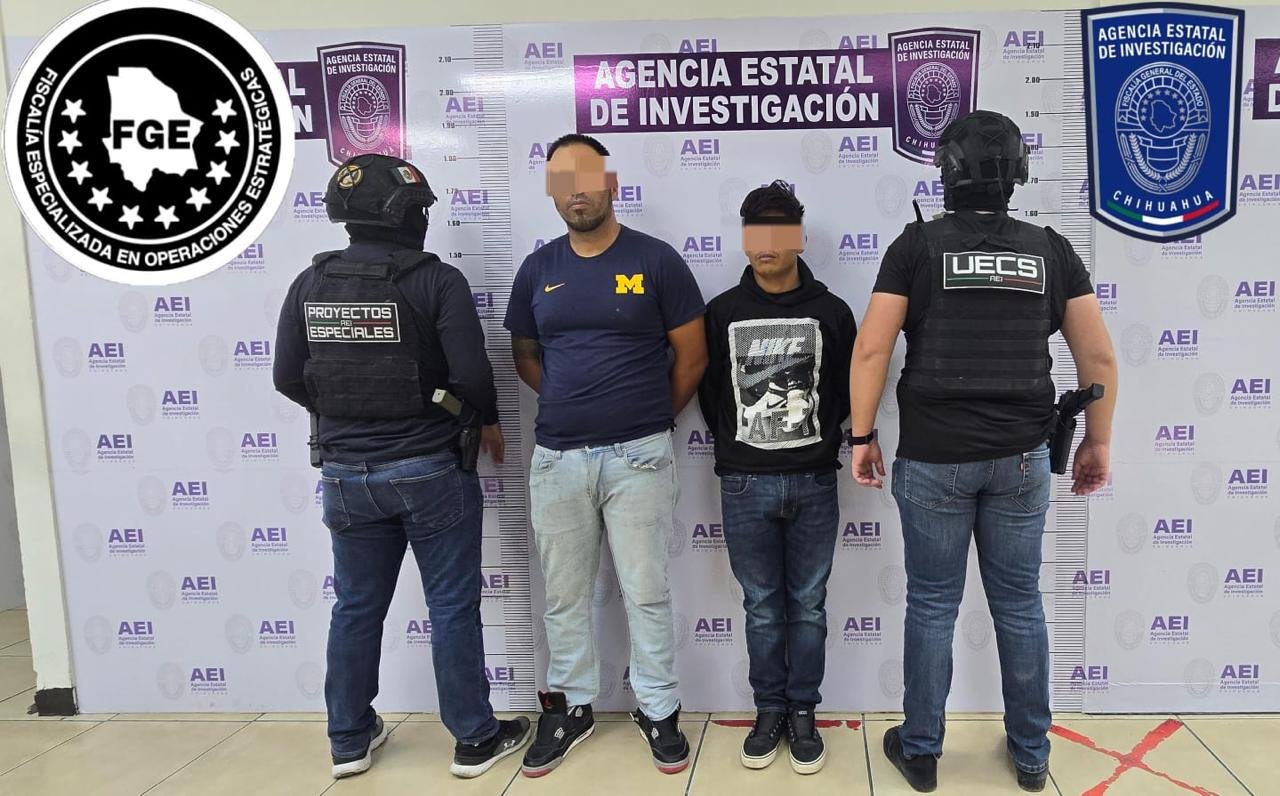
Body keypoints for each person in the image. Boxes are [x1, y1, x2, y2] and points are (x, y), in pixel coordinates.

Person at [847, 111, 1117, 793]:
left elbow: (872, 348)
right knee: (1020, 604)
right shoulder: (1050, 249)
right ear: (1017, 174)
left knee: (932, 605)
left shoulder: (916, 246)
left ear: (946, 172)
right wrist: (1099, 440)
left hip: (934, 458)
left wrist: (862, 436)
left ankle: (921, 750)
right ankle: (1031, 755)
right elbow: (1099, 358)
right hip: (1023, 459)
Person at [273, 154, 531, 780]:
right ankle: (474, 739)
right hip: (428, 470)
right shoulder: (436, 281)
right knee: (451, 606)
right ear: (403, 215)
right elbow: (472, 377)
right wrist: (466, 415)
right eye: (419, 209)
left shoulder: (310, 283)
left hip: (344, 475)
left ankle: (348, 740)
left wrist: (351, 415)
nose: (424, 219)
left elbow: (287, 377)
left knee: (356, 608)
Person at [504, 133, 708, 777]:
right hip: (558, 459)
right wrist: (575, 400)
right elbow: (526, 356)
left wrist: (645, 416)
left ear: (611, 183)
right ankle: (572, 707)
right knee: (564, 596)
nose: (576, 192)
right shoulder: (537, 269)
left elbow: (692, 358)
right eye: (561, 181)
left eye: (586, 177)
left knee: (645, 591)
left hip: (639, 456)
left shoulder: (657, 261)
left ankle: (659, 707)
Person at [697, 181, 856, 774]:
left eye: (778, 230)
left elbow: (848, 389)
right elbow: (709, 391)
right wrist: (741, 444)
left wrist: (818, 436)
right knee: (762, 606)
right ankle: (769, 710)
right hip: (744, 481)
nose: (766, 243)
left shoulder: (832, 312)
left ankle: (803, 711)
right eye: (755, 231)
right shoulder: (721, 313)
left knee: (808, 604)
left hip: (813, 478)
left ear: (799, 237)